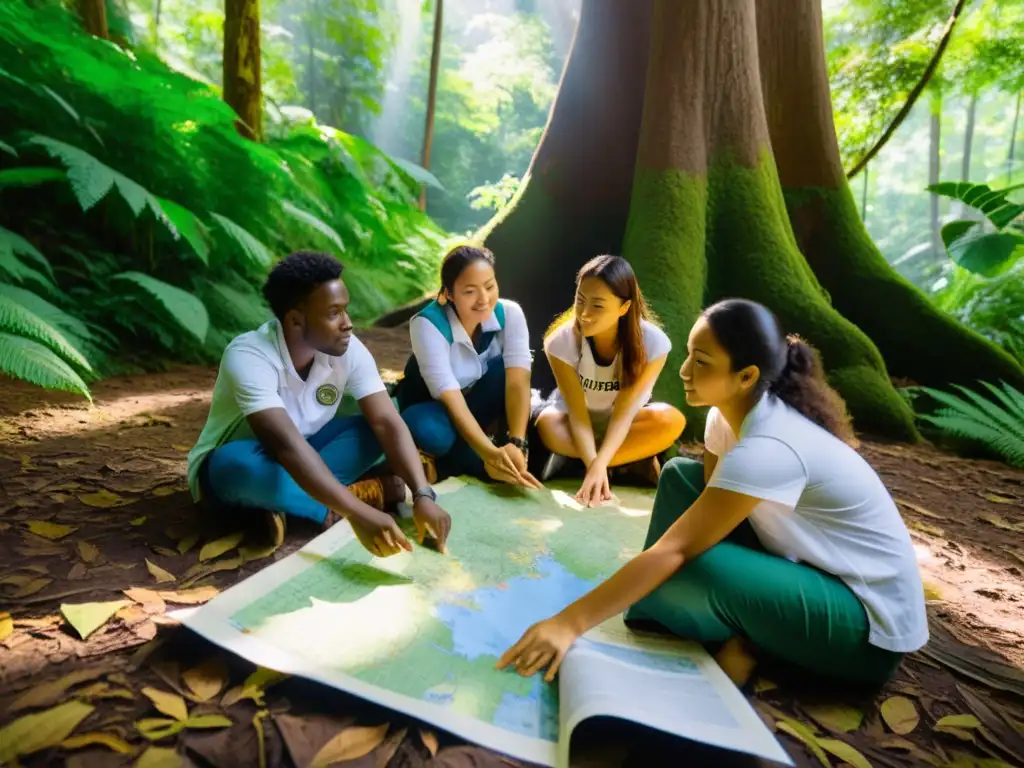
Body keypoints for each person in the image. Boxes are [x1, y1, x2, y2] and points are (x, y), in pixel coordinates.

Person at [497, 298, 928, 687]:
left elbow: (677, 550)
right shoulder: (727, 417)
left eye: (701, 362)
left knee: (696, 564)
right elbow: (705, 502)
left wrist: (568, 623)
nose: (683, 371)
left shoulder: (770, 446)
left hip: (865, 627)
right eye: (688, 355)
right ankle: (667, 611)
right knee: (681, 477)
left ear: (746, 376)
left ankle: (751, 639)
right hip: (807, 572)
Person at [187, 251, 451, 557]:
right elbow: (285, 447)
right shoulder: (249, 355)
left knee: (375, 429)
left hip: (311, 453)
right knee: (236, 466)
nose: (348, 324)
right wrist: (357, 513)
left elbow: (387, 423)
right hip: (249, 460)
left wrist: (422, 495)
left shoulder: (349, 349)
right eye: (334, 313)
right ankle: (352, 498)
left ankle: (287, 506)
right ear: (296, 320)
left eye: (346, 310)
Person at [535, 255, 686, 507]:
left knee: (670, 419)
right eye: (580, 300)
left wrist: (597, 465)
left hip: (626, 425)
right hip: (577, 425)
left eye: (598, 305)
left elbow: (624, 414)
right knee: (548, 424)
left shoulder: (654, 343)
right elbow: (577, 414)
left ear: (624, 308)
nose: (584, 313)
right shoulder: (559, 343)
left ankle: (588, 463)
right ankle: (628, 459)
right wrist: (597, 463)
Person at [396, 244, 541, 488]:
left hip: (476, 401)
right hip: (434, 406)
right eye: (470, 291)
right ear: (449, 294)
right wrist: (489, 455)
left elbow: (518, 382)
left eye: (490, 286)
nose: (484, 299)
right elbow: (450, 398)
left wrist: (517, 443)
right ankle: (464, 460)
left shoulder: (511, 313)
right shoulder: (427, 324)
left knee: (507, 374)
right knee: (435, 435)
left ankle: (445, 463)